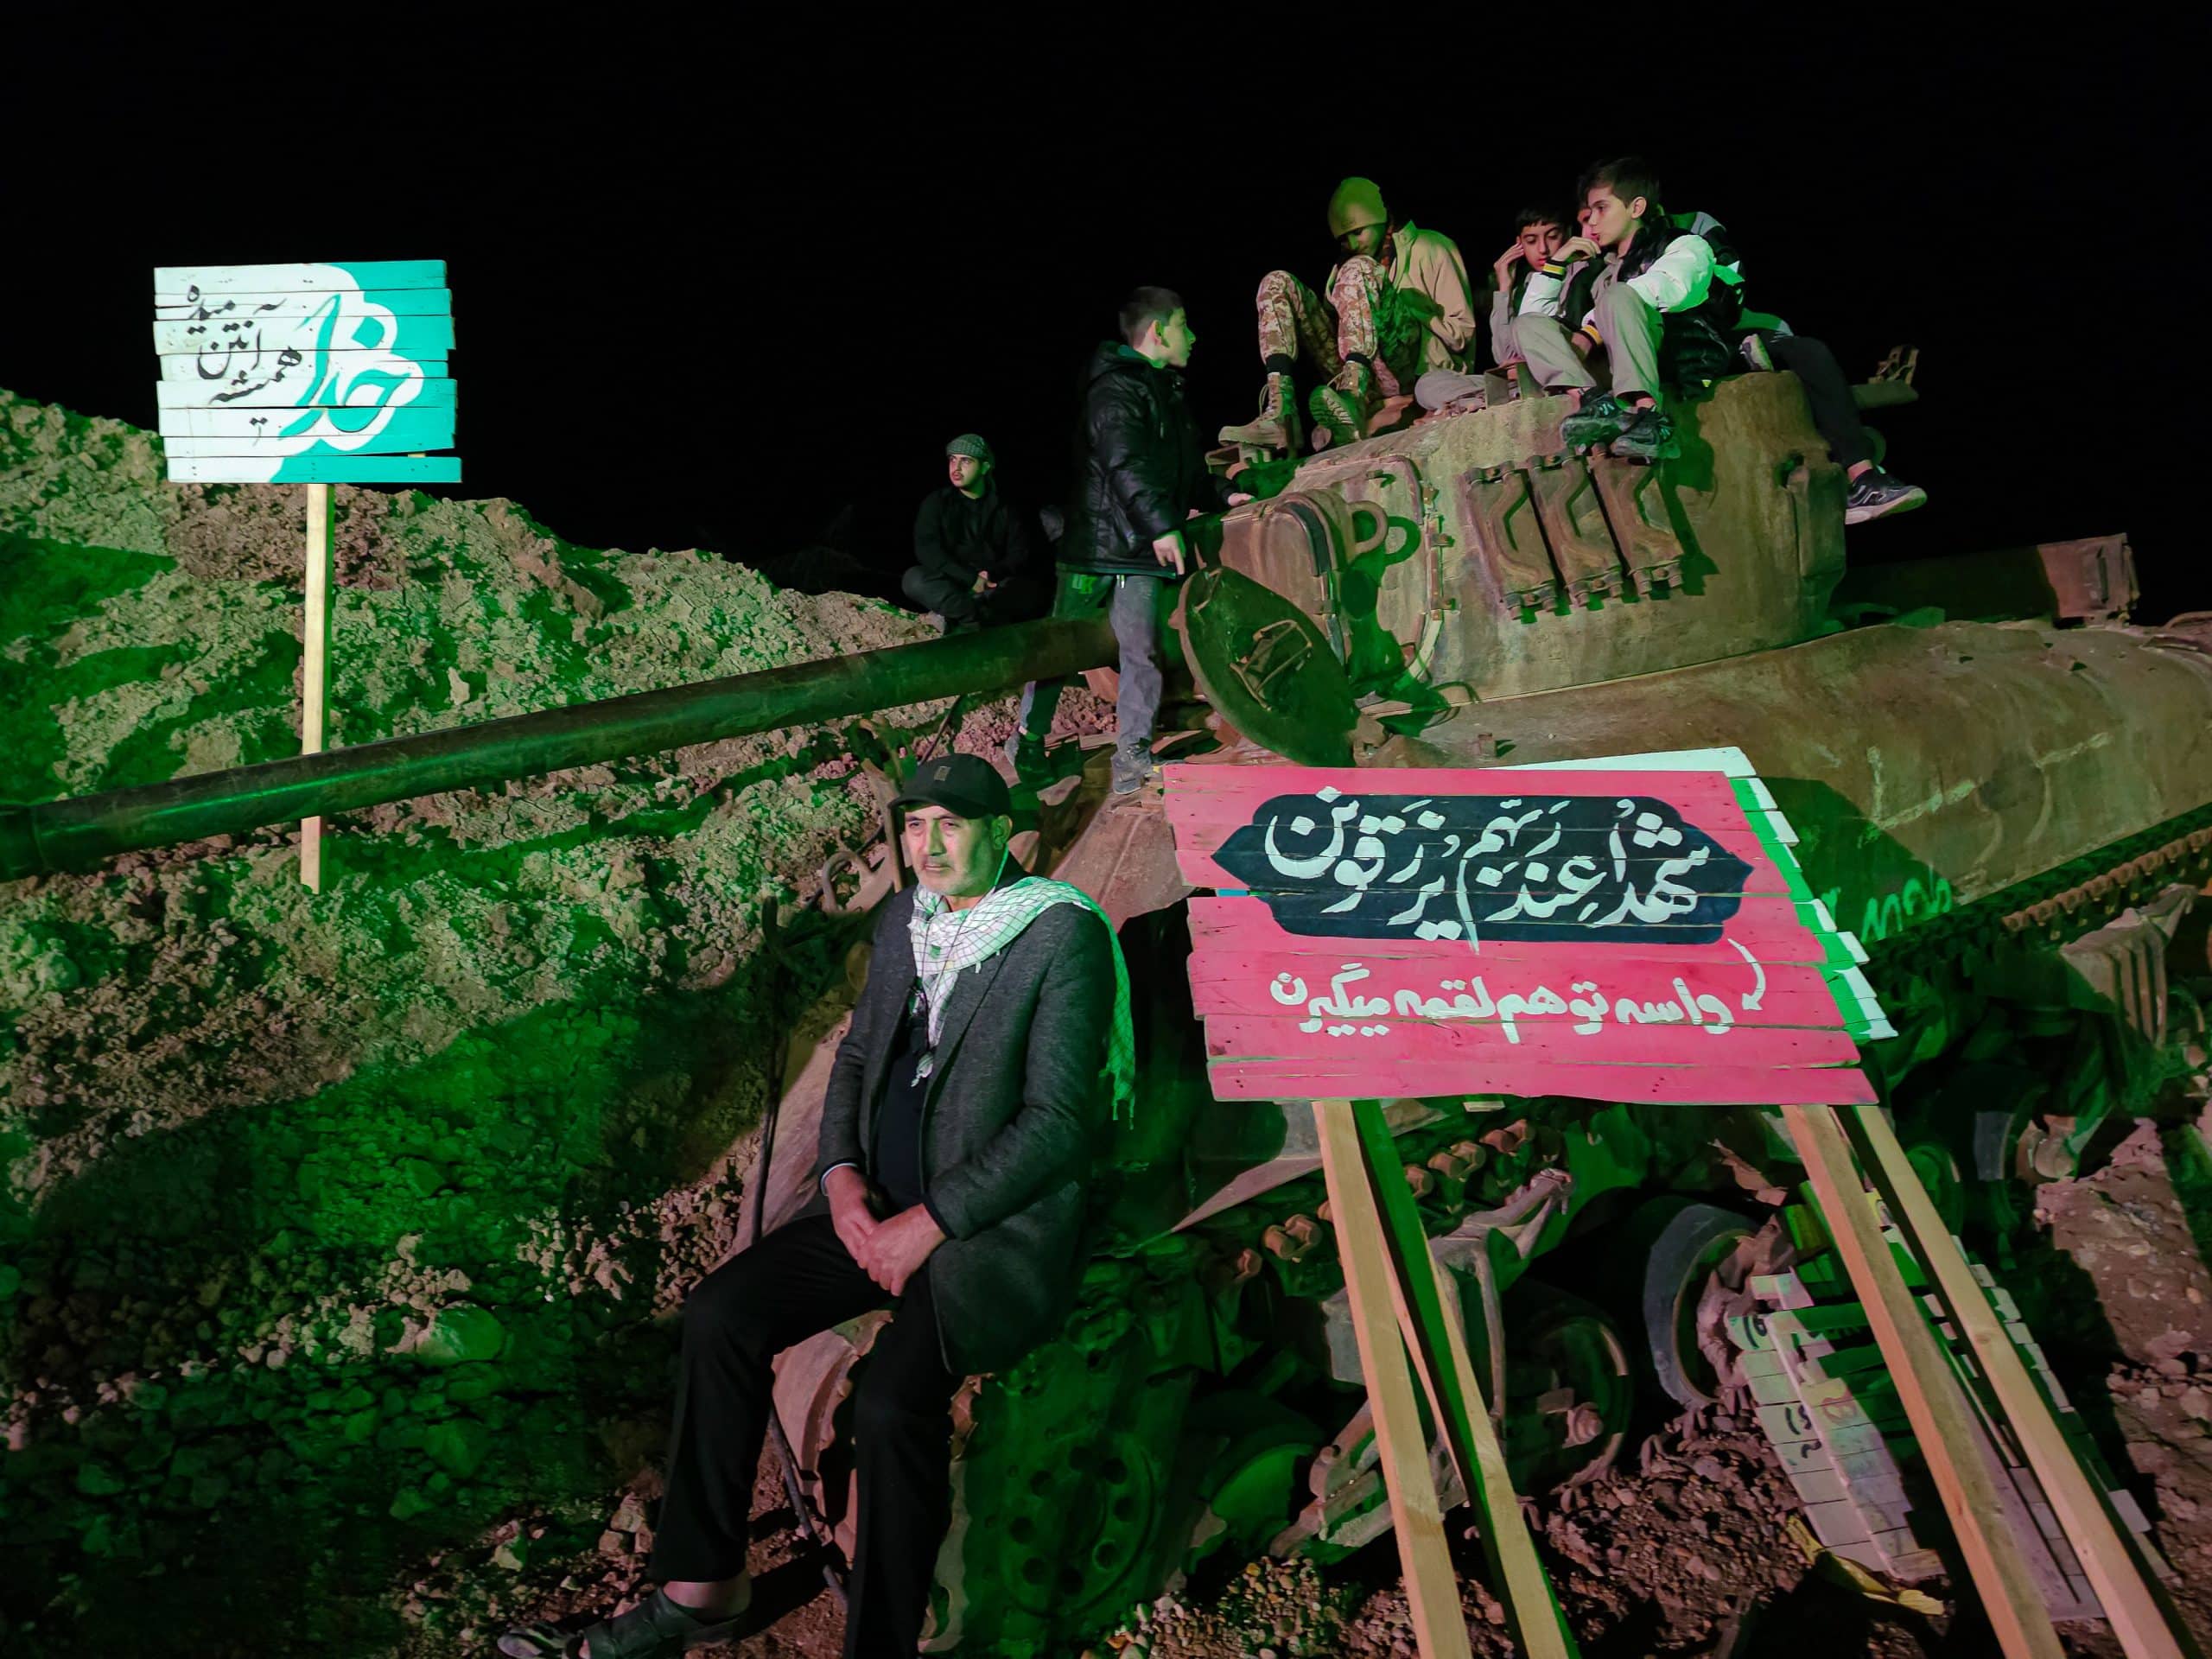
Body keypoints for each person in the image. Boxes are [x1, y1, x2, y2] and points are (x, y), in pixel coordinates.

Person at [500, 754, 1127, 1659]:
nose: (929, 845)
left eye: (952, 824)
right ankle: (701, 1587)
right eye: (916, 825)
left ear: (1001, 832)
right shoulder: (910, 918)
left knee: (892, 1409)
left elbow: (1058, 1123)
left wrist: (927, 1225)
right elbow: (859, 1057)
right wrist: (839, 1179)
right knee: (721, 1314)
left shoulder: (1057, 934)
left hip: (980, 1234)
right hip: (876, 1212)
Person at [1009, 287, 1249, 795]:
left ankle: (1132, 756)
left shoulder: (1166, 391)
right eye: (1183, 325)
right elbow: (1125, 463)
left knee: (1141, 651)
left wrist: (1225, 493)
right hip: (1099, 550)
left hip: (1137, 551)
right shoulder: (1115, 390)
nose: (1193, 336)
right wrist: (1161, 526)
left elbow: (1184, 471)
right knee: (1059, 650)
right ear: (1158, 331)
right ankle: (1027, 738)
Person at [1218, 177, 1478, 454]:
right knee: (1276, 282)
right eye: (1344, 239)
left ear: (1380, 218)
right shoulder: (1342, 268)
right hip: (1362, 368)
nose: (1352, 243)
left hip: (1413, 366)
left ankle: (1353, 397)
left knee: (1358, 269)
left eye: (1358, 232)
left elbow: (1462, 333)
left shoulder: (1431, 247)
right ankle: (1281, 411)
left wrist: (1406, 306)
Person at [1513, 156, 1745, 463]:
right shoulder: (1598, 271)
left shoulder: (1684, 245)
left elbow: (1665, 288)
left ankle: (1651, 418)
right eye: (1589, 212)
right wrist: (1556, 266)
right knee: (1528, 324)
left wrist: (1590, 331)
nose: (1592, 222)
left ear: (1636, 208)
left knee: (1619, 297)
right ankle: (1594, 403)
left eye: (1602, 209)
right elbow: (1533, 322)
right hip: (1610, 365)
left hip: (1667, 356)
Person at [899, 434, 1039, 631]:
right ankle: (974, 617)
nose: (956, 468)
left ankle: (958, 614)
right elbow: (928, 550)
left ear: (984, 467)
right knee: (914, 579)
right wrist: (971, 580)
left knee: (1027, 590)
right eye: (952, 460)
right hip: (953, 581)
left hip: (992, 585)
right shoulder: (937, 502)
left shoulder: (1006, 508)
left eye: (965, 461)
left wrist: (991, 574)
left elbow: (1019, 553)